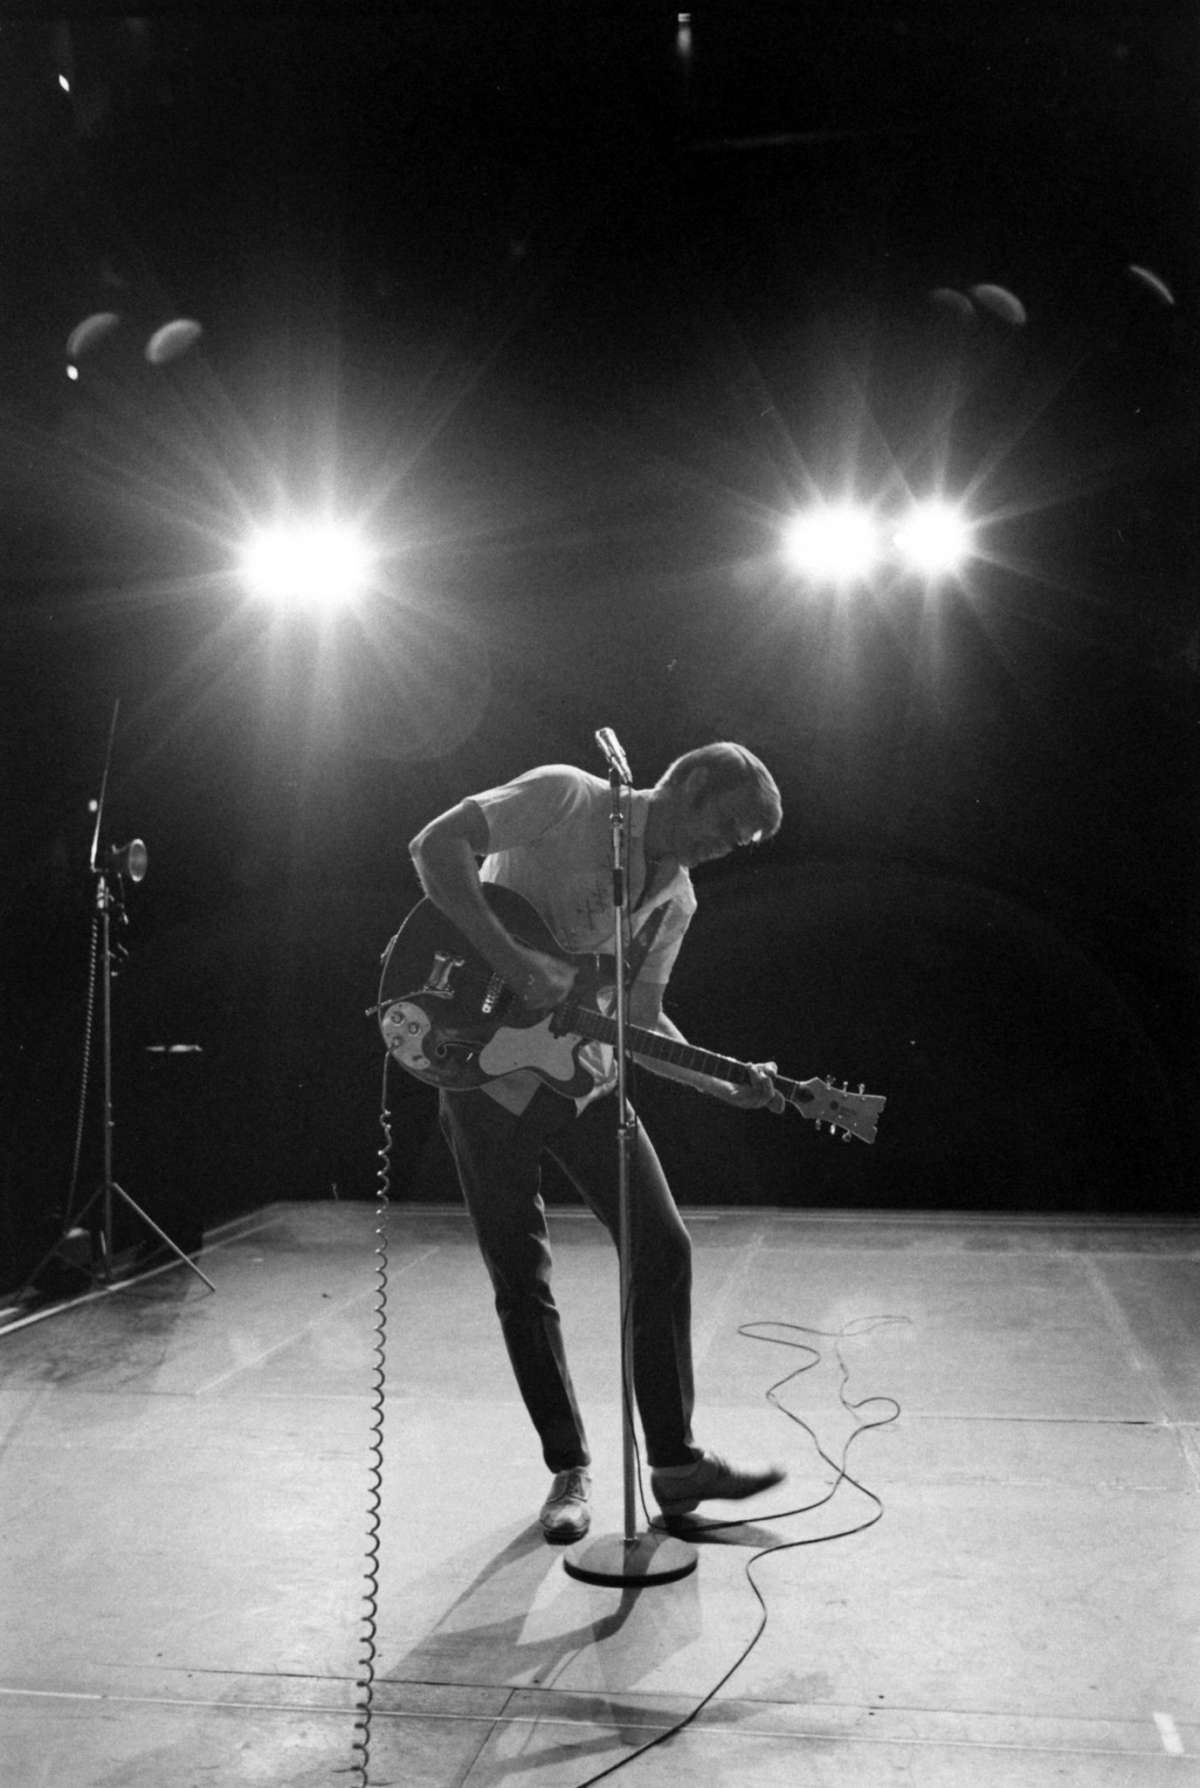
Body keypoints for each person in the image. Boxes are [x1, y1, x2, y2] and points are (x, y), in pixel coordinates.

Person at [408, 741, 789, 1542]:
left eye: (737, 848)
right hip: (485, 1079)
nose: (719, 852)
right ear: (686, 784)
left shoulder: (675, 900)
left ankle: (676, 1465)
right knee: (522, 1277)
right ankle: (569, 1468)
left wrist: (723, 1080)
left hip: (586, 1084)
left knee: (663, 1247)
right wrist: (513, 960)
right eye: (720, 829)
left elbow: (642, 1023)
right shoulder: (566, 797)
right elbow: (433, 846)